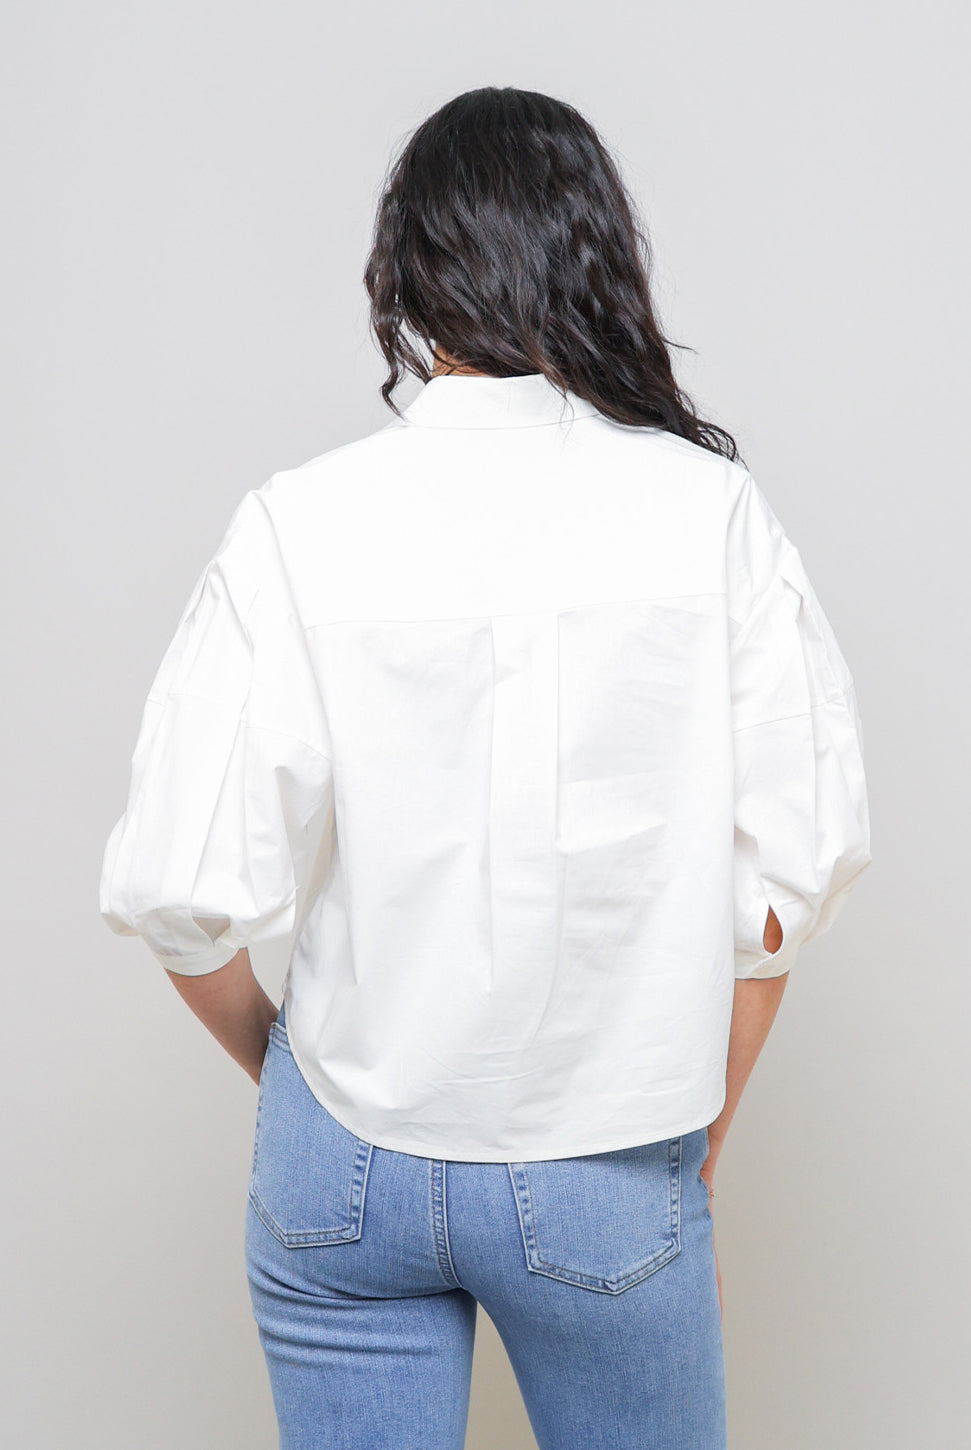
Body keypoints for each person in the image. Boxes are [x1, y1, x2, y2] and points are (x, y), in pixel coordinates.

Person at [98, 85, 872, 1450]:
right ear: (598, 255)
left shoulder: (300, 521)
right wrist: (696, 1134)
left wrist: (298, 1082)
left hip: (343, 1160)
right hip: (607, 1159)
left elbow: (178, 891)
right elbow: (787, 885)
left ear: (407, 273)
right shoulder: (711, 515)